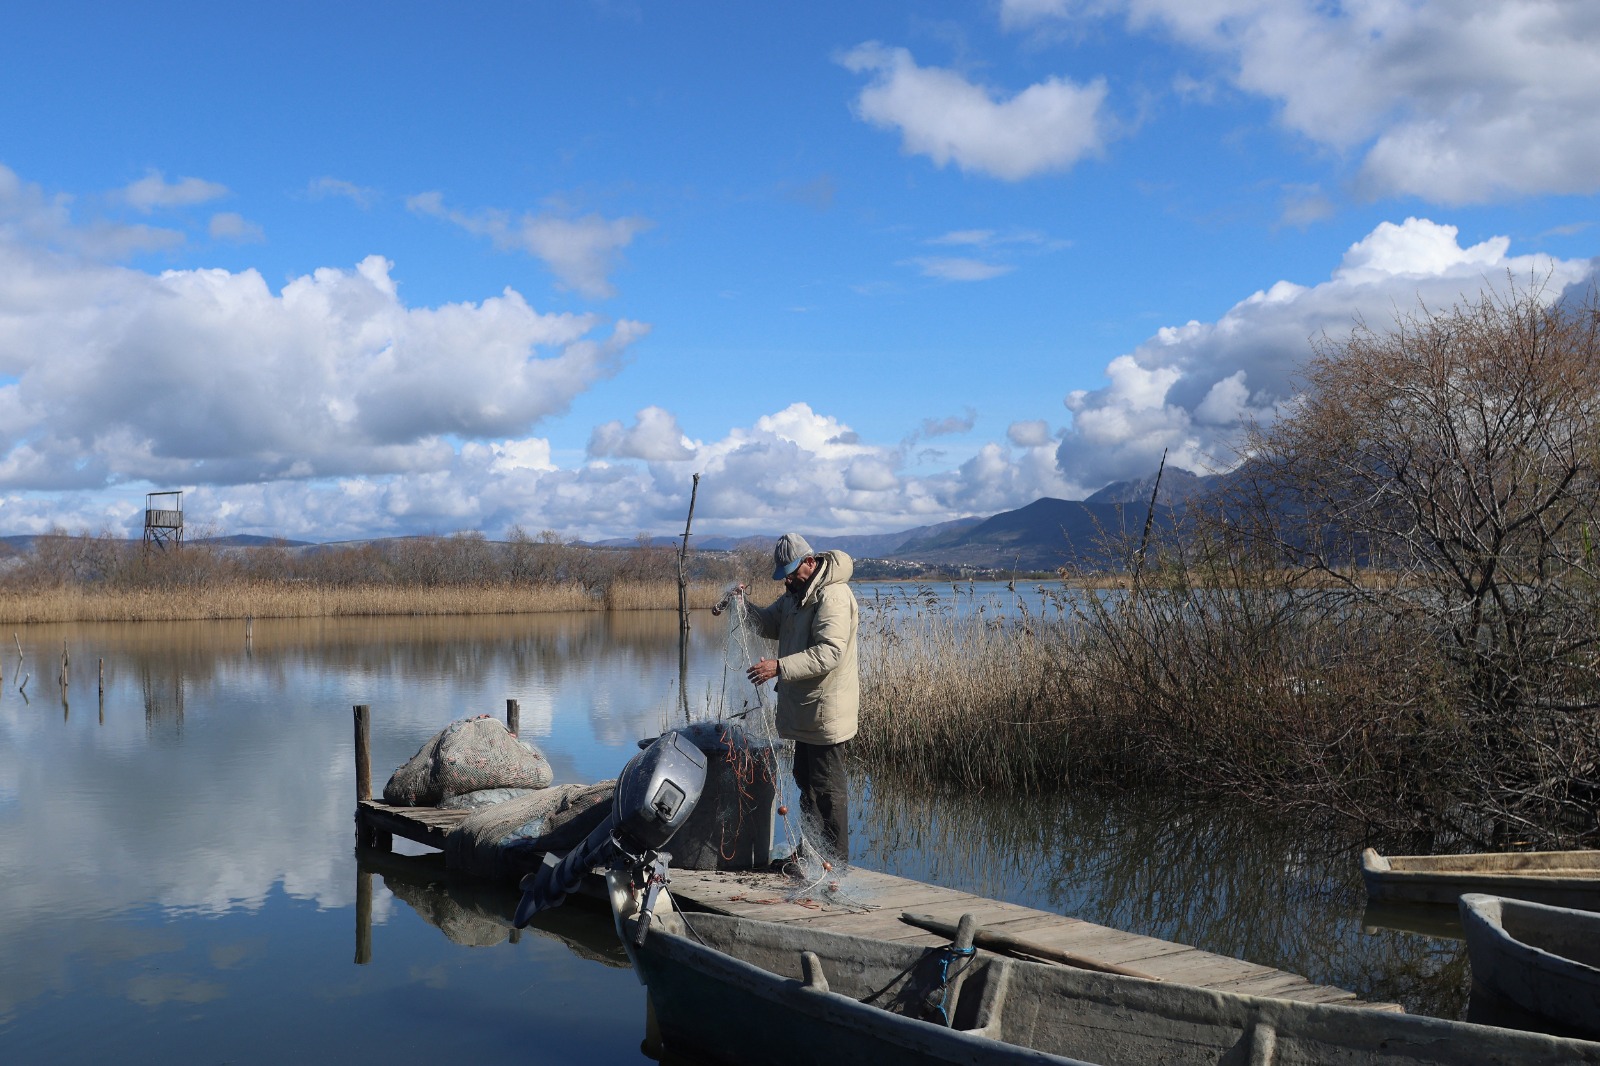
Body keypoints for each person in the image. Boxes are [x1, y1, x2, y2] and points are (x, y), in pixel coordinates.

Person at [713, 532, 858, 864]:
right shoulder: (795, 595)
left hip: (827, 712)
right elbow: (767, 624)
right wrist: (742, 606)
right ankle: (810, 856)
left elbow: (830, 652)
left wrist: (778, 666)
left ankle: (835, 866)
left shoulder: (833, 596)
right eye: (785, 575)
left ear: (810, 562)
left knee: (827, 793)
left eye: (793, 572)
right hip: (805, 711)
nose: (788, 580)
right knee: (805, 785)